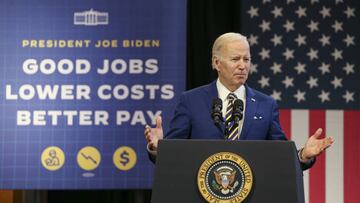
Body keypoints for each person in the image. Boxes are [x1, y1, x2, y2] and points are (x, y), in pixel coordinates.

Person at [144, 32, 334, 169]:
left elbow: (280, 155)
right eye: (235, 59)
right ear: (216, 63)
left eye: (247, 59)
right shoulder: (191, 101)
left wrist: (303, 155)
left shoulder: (266, 104)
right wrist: (158, 149)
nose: (243, 66)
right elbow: (171, 155)